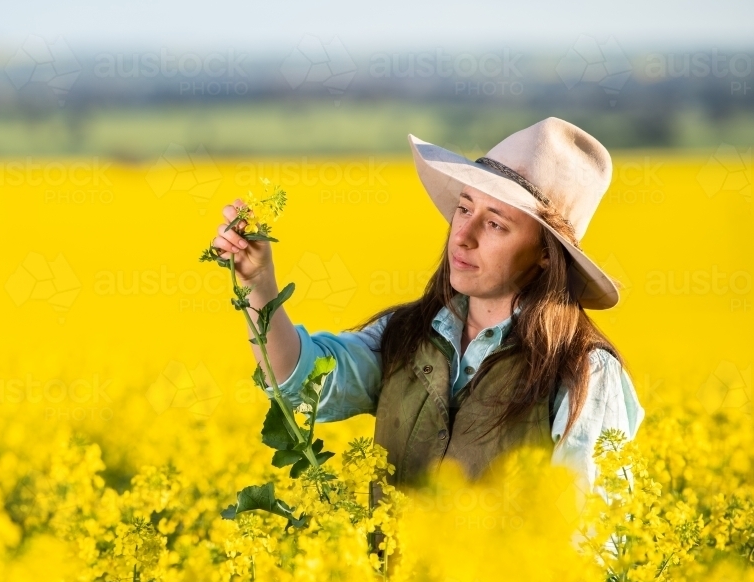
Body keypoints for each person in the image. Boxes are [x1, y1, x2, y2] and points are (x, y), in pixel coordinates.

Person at [210, 116, 645, 501]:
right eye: (464, 208)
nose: (463, 235)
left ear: (547, 254)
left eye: (495, 223)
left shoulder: (584, 373)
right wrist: (258, 286)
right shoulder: (406, 333)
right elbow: (305, 386)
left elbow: (589, 546)